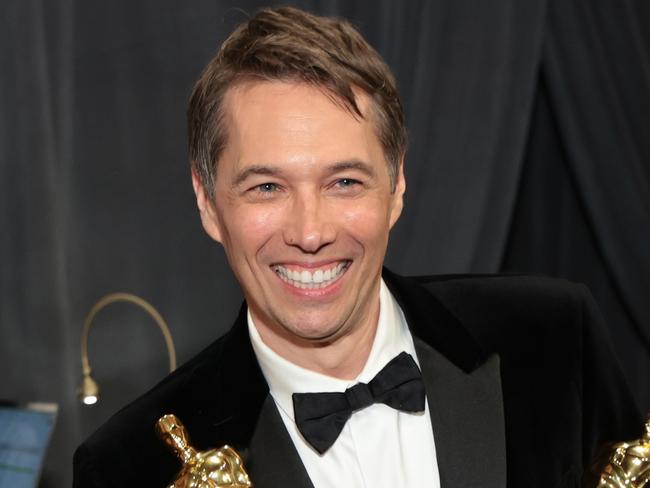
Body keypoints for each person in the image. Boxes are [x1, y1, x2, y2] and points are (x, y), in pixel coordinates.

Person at [73, 6, 641, 487]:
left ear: (396, 185)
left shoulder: (554, 342)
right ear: (207, 203)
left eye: (345, 181)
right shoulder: (129, 467)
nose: (311, 232)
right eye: (266, 187)